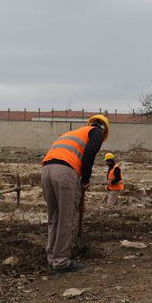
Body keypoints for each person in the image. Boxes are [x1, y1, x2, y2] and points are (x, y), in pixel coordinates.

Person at [41, 115, 110, 273]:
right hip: (64, 171)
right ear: (104, 129)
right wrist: (85, 179)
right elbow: (89, 155)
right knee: (66, 218)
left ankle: (51, 257)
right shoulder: (96, 132)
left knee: (54, 218)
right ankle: (61, 261)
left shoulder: (73, 133)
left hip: (46, 170)